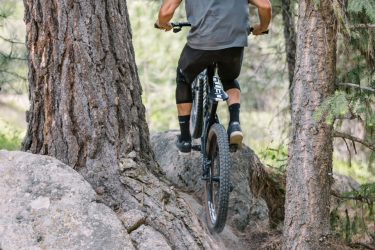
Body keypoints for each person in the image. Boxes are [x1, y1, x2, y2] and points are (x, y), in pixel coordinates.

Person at [155, 0, 272, 153]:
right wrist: (261, 28)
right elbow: (265, 6)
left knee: (183, 78)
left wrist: (163, 24)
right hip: (234, 43)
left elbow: (166, 12)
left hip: (202, 44)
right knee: (229, 79)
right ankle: (235, 124)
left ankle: (185, 139)